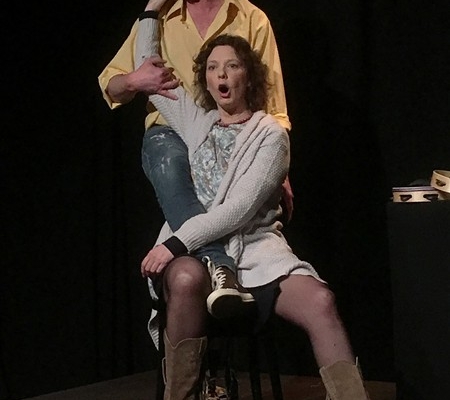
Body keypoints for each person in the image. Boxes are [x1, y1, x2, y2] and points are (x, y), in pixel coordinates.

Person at [129, 1, 372, 399]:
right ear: (205, 80)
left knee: (321, 300)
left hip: (255, 250)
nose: (221, 75)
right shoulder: (197, 124)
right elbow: (149, 71)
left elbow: (238, 210)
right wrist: (151, 11)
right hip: (198, 251)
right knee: (186, 278)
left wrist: (173, 243)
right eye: (212, 68)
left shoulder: (271, 137)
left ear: (249, 76)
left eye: (232, 66)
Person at [98, 0, 294, 318]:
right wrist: (137, 76)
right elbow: (115, 81)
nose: (221, 75)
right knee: (171, 167)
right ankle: (219, 265)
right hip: (174, 127)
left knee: (243, 214)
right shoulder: (161, 18)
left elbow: (273, 102)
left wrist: (277, 168)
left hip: (236, 134)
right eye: (213, 69)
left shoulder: (250, 17)